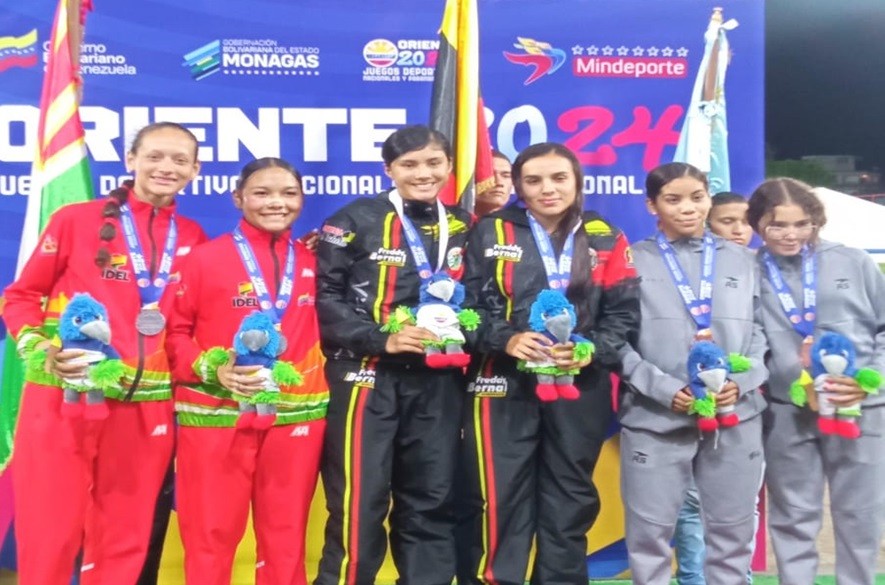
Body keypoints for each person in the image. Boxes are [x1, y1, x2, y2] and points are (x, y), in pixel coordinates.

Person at [2, 122, 207, 585]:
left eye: (179, 160)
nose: (166, 167)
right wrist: (39, 349)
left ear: (195, 170)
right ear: (131, 160)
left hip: (146, 405)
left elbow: (182, 325)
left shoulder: (193, 235)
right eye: (154, 156)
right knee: (50, 531)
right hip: (67, 396)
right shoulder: (75, 220)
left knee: (125, 535)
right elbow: (20, 296)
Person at [457, 142, 640, 585]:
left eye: (559, 178)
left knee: (570, 498)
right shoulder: (489, 231)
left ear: (577, 181)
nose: (547, 189)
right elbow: (462, 308)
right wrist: (506, 338)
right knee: (499, 497)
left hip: (581, 385)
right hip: (500, 382)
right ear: (518, 186)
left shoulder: (605, 235)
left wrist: (591, 348)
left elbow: (624, 314)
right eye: (534, 180)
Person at [313, 125, 473, 585]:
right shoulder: (353, 219)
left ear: (448, 166)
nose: (423, 174)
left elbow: (481, 297)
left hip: (438, 379)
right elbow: (324, 296)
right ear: (389, 170)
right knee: (359, 501)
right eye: (409, 164)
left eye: (433, 163)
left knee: (432, 497)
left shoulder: (465, 223)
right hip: (366, 375)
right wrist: (380, 339)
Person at [165, 157, 328, 585]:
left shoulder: (315, 261)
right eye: (262, 193)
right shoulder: (203, 259)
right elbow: (173, 333)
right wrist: (211, 368)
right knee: (210, 536)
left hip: (294, 416)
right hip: (216, 416)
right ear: (238, 198)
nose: (277, 202)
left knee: (286, 539)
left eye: (289, 193)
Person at [618, 162, 767, 585]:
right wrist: (662, 388)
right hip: (655, 418)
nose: (688, 208)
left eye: (697, 198)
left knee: (733, 534)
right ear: (652, 205)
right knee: (649, 536)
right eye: (673, 199)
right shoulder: (630, 261)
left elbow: (763, 332)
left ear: (708, 198)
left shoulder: (746, 261)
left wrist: (743, 381)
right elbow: (615, 339)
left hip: (735, 415)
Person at [749, 178, 885, 585]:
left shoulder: (853, 261)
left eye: (801, 224)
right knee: (793, 516)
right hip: (788, 411)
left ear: (816, 222)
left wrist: (872, 380)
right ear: (757, 224)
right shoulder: (747, 271)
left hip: (860, 407)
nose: (791, 235)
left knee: (859, 515)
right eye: (777, 225)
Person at [673, 190, 756, 585]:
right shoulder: (676, 268)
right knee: (690, 503)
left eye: (746, 221)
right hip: (687, 401)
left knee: (741, 504)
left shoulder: (758, 268)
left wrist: (742, 381)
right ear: (707, 223)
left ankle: (739, 578)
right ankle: (693, 579)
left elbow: (766, 341)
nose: (739, 230)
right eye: (728, 221)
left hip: (743, 406)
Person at [474, 149, 513, 217]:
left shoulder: (525, 222)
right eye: (490, 175)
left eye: (506, 176)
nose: (499, 183)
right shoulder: (454, 221)